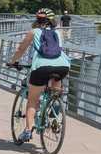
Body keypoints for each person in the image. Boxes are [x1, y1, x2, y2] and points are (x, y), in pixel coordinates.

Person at [6, 8, 71, 143]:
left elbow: (21, 49)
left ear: (37, 20)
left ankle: (28, 131)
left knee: (32, 101)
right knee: (55, 90)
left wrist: (13, 62)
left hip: (41, 67)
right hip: (63, 66)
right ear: (53, 21)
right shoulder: (58, 34)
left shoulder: (33, 32)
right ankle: (55, 116)